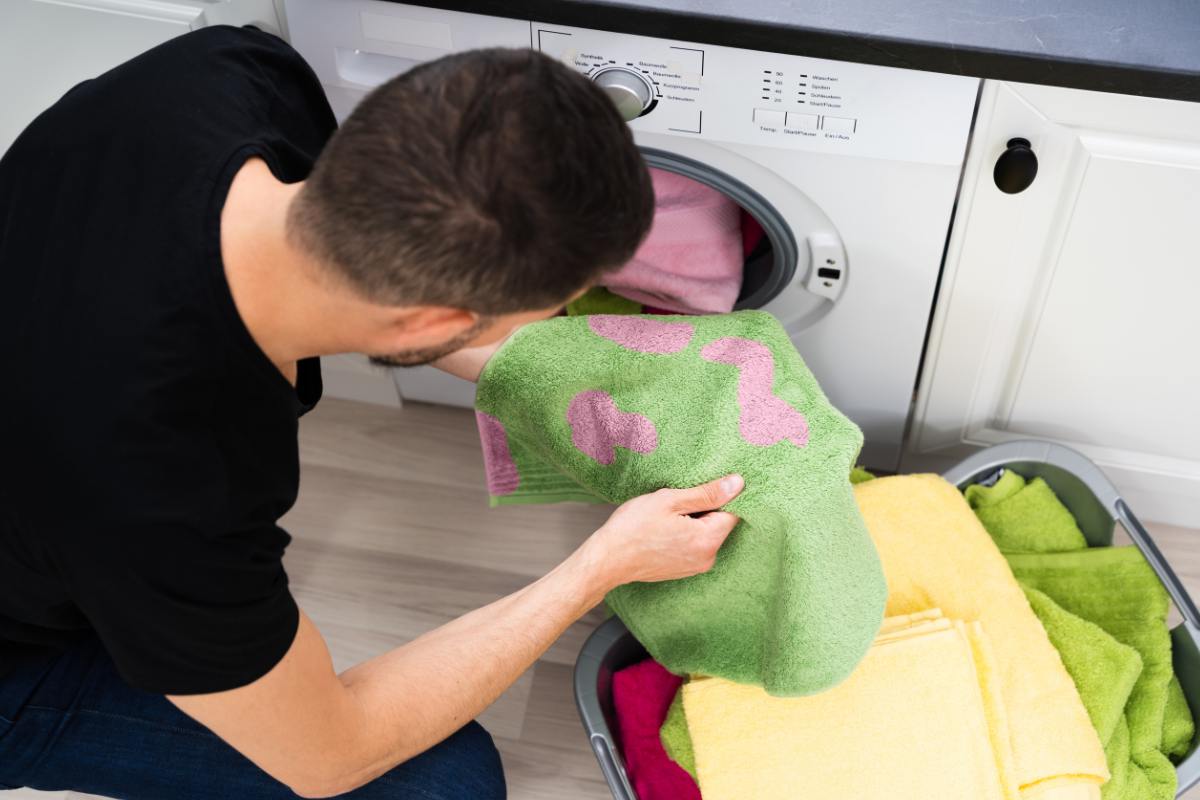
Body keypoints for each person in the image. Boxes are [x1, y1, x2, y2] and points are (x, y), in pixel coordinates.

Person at [0, 24, 745, 800]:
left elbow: (397, 288)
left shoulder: (224, 78)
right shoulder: (163, 491)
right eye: (541, 318)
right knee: (443, 785)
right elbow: (330, 757)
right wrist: (601, 566)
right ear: (431, 321)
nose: (549, 335)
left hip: (52, 486)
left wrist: (620, 403)